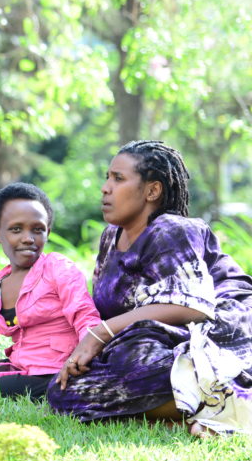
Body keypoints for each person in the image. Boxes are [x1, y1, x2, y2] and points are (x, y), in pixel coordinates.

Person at [48, 140, 252, 436]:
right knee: (62, 392)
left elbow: (191, 306)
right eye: (107, 177)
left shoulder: (172, 229)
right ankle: (203, 413)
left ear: (152, 190)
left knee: (135, 356)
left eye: (118, 179)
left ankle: (234, 405)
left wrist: (101, 333)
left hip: (223, 332)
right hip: (157, 341)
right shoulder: (111, 237)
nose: (105, 188)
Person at [0, 182, 101, 401]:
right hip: (22, 368)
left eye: (37, 229)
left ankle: (60, 390)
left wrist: (85, 355)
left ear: (48, 232)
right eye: (16, 229)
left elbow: (83, 314)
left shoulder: (58, 268)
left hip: (61, 369)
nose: (28, 238)